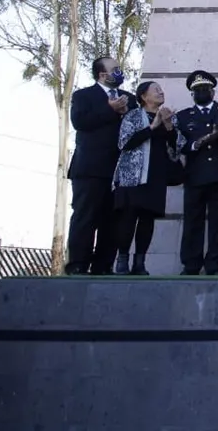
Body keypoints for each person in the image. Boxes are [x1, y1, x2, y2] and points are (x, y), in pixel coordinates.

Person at [66, 56, 135, 275]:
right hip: (90, 169)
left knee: (112, 221)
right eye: (114, 69)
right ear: (102, 74)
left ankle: (103, 265)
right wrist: (110, 110)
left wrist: (124, 114)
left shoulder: (129, 99)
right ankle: (78, 264)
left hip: (119, 172)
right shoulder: (83, 95)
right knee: (85, 217)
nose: (119, 72)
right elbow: (80, 122)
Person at [113, 81, 177, 276]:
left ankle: (140, 262)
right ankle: (122, 258)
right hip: (132, 177)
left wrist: (168, 126)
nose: (160, 92)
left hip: (156, 176)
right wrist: (152, 126)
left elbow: (176, 148)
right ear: (143, 96)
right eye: (155, 90)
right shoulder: (132, 115)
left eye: (161, 90)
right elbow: (124, 143)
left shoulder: (169, 117)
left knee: (147, 220)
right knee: (128, 219)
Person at [176, 70, 218, 275]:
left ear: (213, 92)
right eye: (198, 90)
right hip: (195, 175)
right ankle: (191, 264)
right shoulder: (183, 116)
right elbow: (178, 145)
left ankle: (214, 264)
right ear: (192, 94)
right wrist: (196, 144)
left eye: (205, 89)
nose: (202, 92)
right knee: (193, 221)